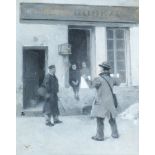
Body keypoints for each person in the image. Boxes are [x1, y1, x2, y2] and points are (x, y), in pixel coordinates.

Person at [83, 62, 120, 141]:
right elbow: (118, 82)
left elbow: (91, 85)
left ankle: (100, 136)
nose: (100, 69)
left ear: (103, 69)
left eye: (101, 67)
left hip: (101, 102)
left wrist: (86, 79)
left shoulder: (99, 79)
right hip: (110, 102)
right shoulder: (111, 79)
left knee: (100, 119)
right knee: (111, 118)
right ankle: (115, 133)